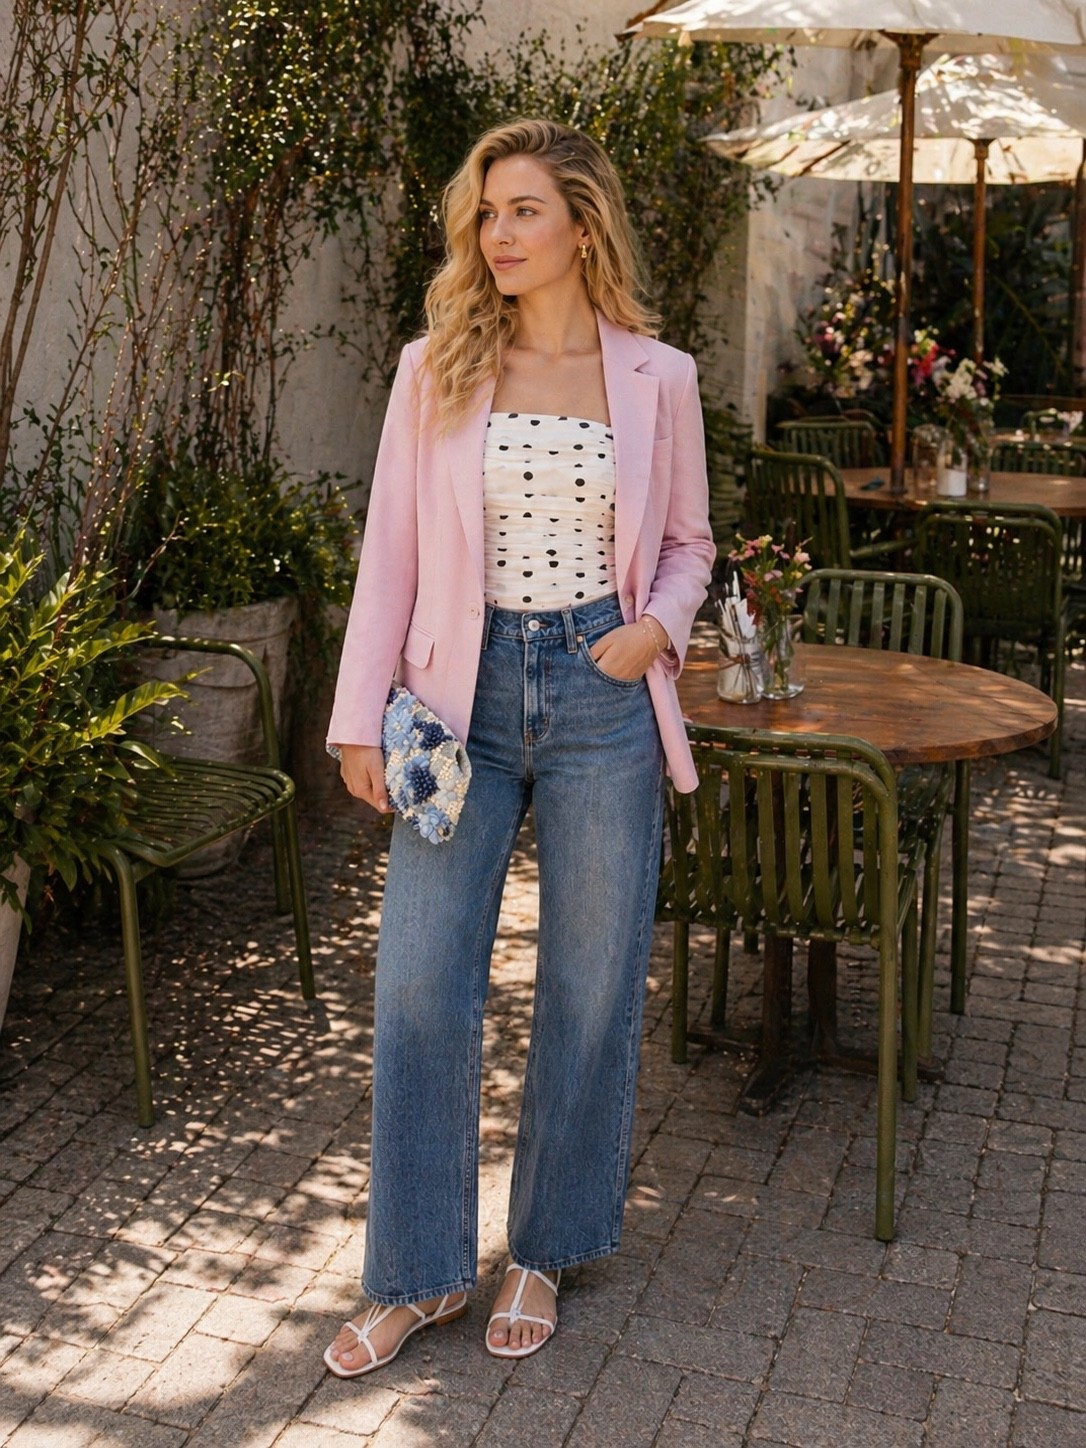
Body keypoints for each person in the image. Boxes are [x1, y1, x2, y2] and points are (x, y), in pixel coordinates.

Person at [323, 117, 715, 1378]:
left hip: (605, 690)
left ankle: (545, 1245)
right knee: (422, 982)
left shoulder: (661, 376)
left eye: (525, 210)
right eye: (488, 211)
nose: (497, 233)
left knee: (591, 984)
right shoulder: (431, 366)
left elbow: (690, 544)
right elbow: (390, 552)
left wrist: (656, 627)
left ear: (582, 226)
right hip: (462, 698)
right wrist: (355, 714)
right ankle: (420, 1271)